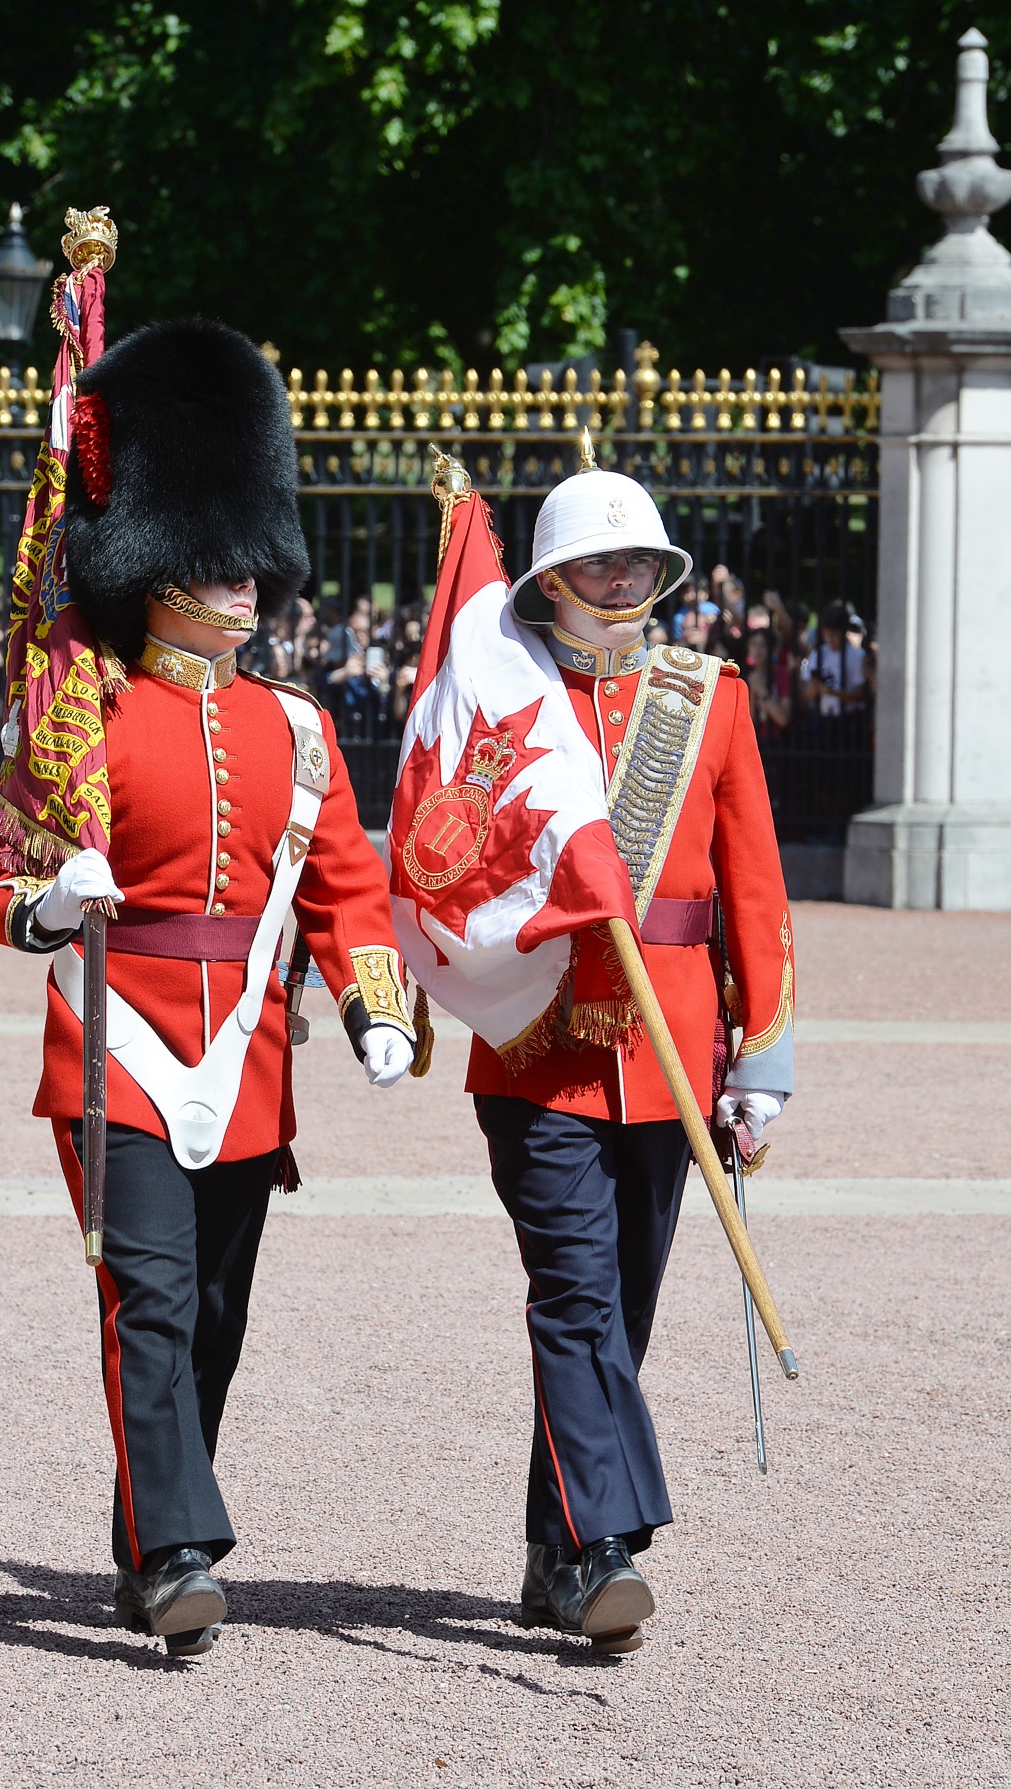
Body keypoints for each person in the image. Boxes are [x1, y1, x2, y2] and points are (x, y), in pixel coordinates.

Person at [0, 318, 416, 1658]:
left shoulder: (296, 726)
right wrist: (51, 904)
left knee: (212, 1320)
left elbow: (344, 885)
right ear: (156, 567)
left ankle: (144, 1529)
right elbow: (5, 877)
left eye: (250, 568)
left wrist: (376, 1006)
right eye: (218, 567)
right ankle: (179, 1552)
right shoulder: (84, 714)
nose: (246, 591)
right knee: (151, 1300)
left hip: (246, 1058)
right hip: (114, 1042)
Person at [398, 464, 794, 1655]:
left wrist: (760, 1056)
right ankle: (608, 1547)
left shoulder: (706, 697)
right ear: (549, 579)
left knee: (618, 1314)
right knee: (574, 1295)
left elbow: (755, 883)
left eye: (638, 563)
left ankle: (550, 1549)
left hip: (674, 1039)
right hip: (544, 1038)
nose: (621, 580)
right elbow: (453, 849)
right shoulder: (506, 696)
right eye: (597, 562)